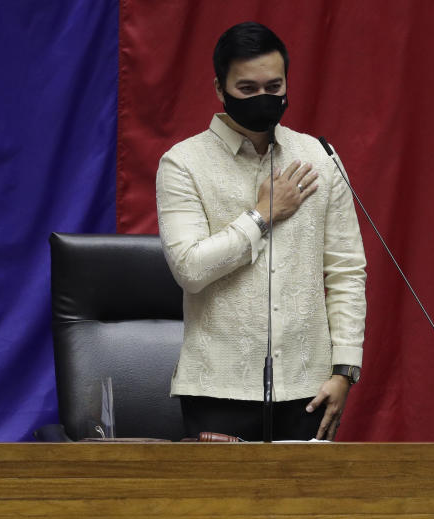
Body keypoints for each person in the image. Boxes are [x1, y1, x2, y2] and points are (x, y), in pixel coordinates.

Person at [156, 22, 366, 441]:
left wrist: (344, 370)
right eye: (247, 89)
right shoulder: (183, 163)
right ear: (220, 89)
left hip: (309, 390)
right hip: (217, 390)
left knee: (308, 509)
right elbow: (190, 268)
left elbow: (346, 272)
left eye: (274, 86)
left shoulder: (320, 158)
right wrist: (261, 215)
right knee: (217, 510)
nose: (263, 99)